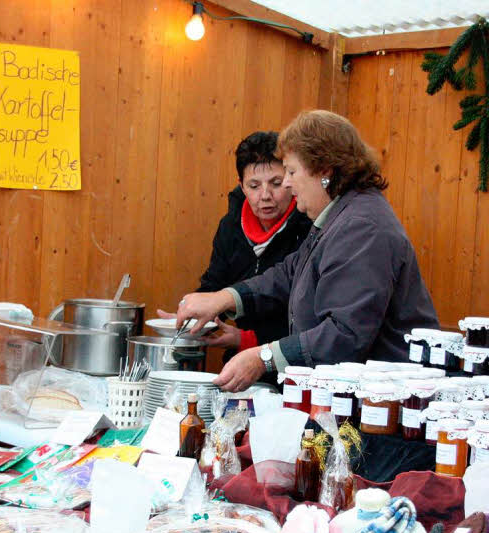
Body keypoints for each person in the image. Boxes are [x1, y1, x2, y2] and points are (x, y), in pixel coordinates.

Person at [176, 110, 439, 392]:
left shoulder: (362, 227)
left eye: (290, 171)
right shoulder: (339, 214)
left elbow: (344, 334)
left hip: (385, 404)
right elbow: (289, 273)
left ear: (324, 171)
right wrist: (224, 297)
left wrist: (263, 357)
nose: (287, 183)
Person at [186, 131, 312, 354]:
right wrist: (192, 315)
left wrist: (250, 339)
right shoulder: (231, 225)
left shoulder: (308, 227)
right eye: (254, 186)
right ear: (241, 186)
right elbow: (215, 285)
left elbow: (308, 314)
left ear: (291, 180)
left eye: (276, 183)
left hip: (292, 362)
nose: (265, 195)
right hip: (239, 362)